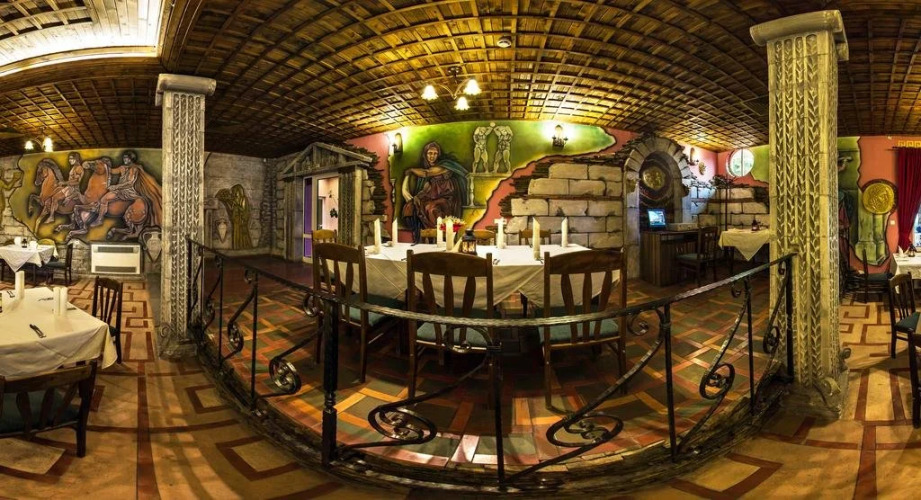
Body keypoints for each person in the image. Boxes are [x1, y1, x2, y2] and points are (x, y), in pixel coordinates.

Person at [401, 142, 468, 242]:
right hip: (433, 197)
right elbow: (427, 188)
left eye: (435, 153)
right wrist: (417, 197)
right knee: (411, 206)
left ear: (438, 155)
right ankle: (425, 236)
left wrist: (410, 171)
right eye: (429, 153)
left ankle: (439, 237)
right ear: (425, 154)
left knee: (432, 208)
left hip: (447, 199)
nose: (432, 156)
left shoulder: (444, 166)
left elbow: (426, 173)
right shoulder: (428, 174)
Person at [91, 150, 162, 227]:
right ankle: (100, 219)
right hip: (120, 190)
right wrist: (105, 165)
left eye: (127, 158)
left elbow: (130, 183)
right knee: (103, 199)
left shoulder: (134, 169)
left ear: (131, 159)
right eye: (124, 158)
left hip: (129, 191)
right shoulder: (122, 167)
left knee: (105, 199)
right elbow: (111, 171)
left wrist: (116, 187)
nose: (124, 159)